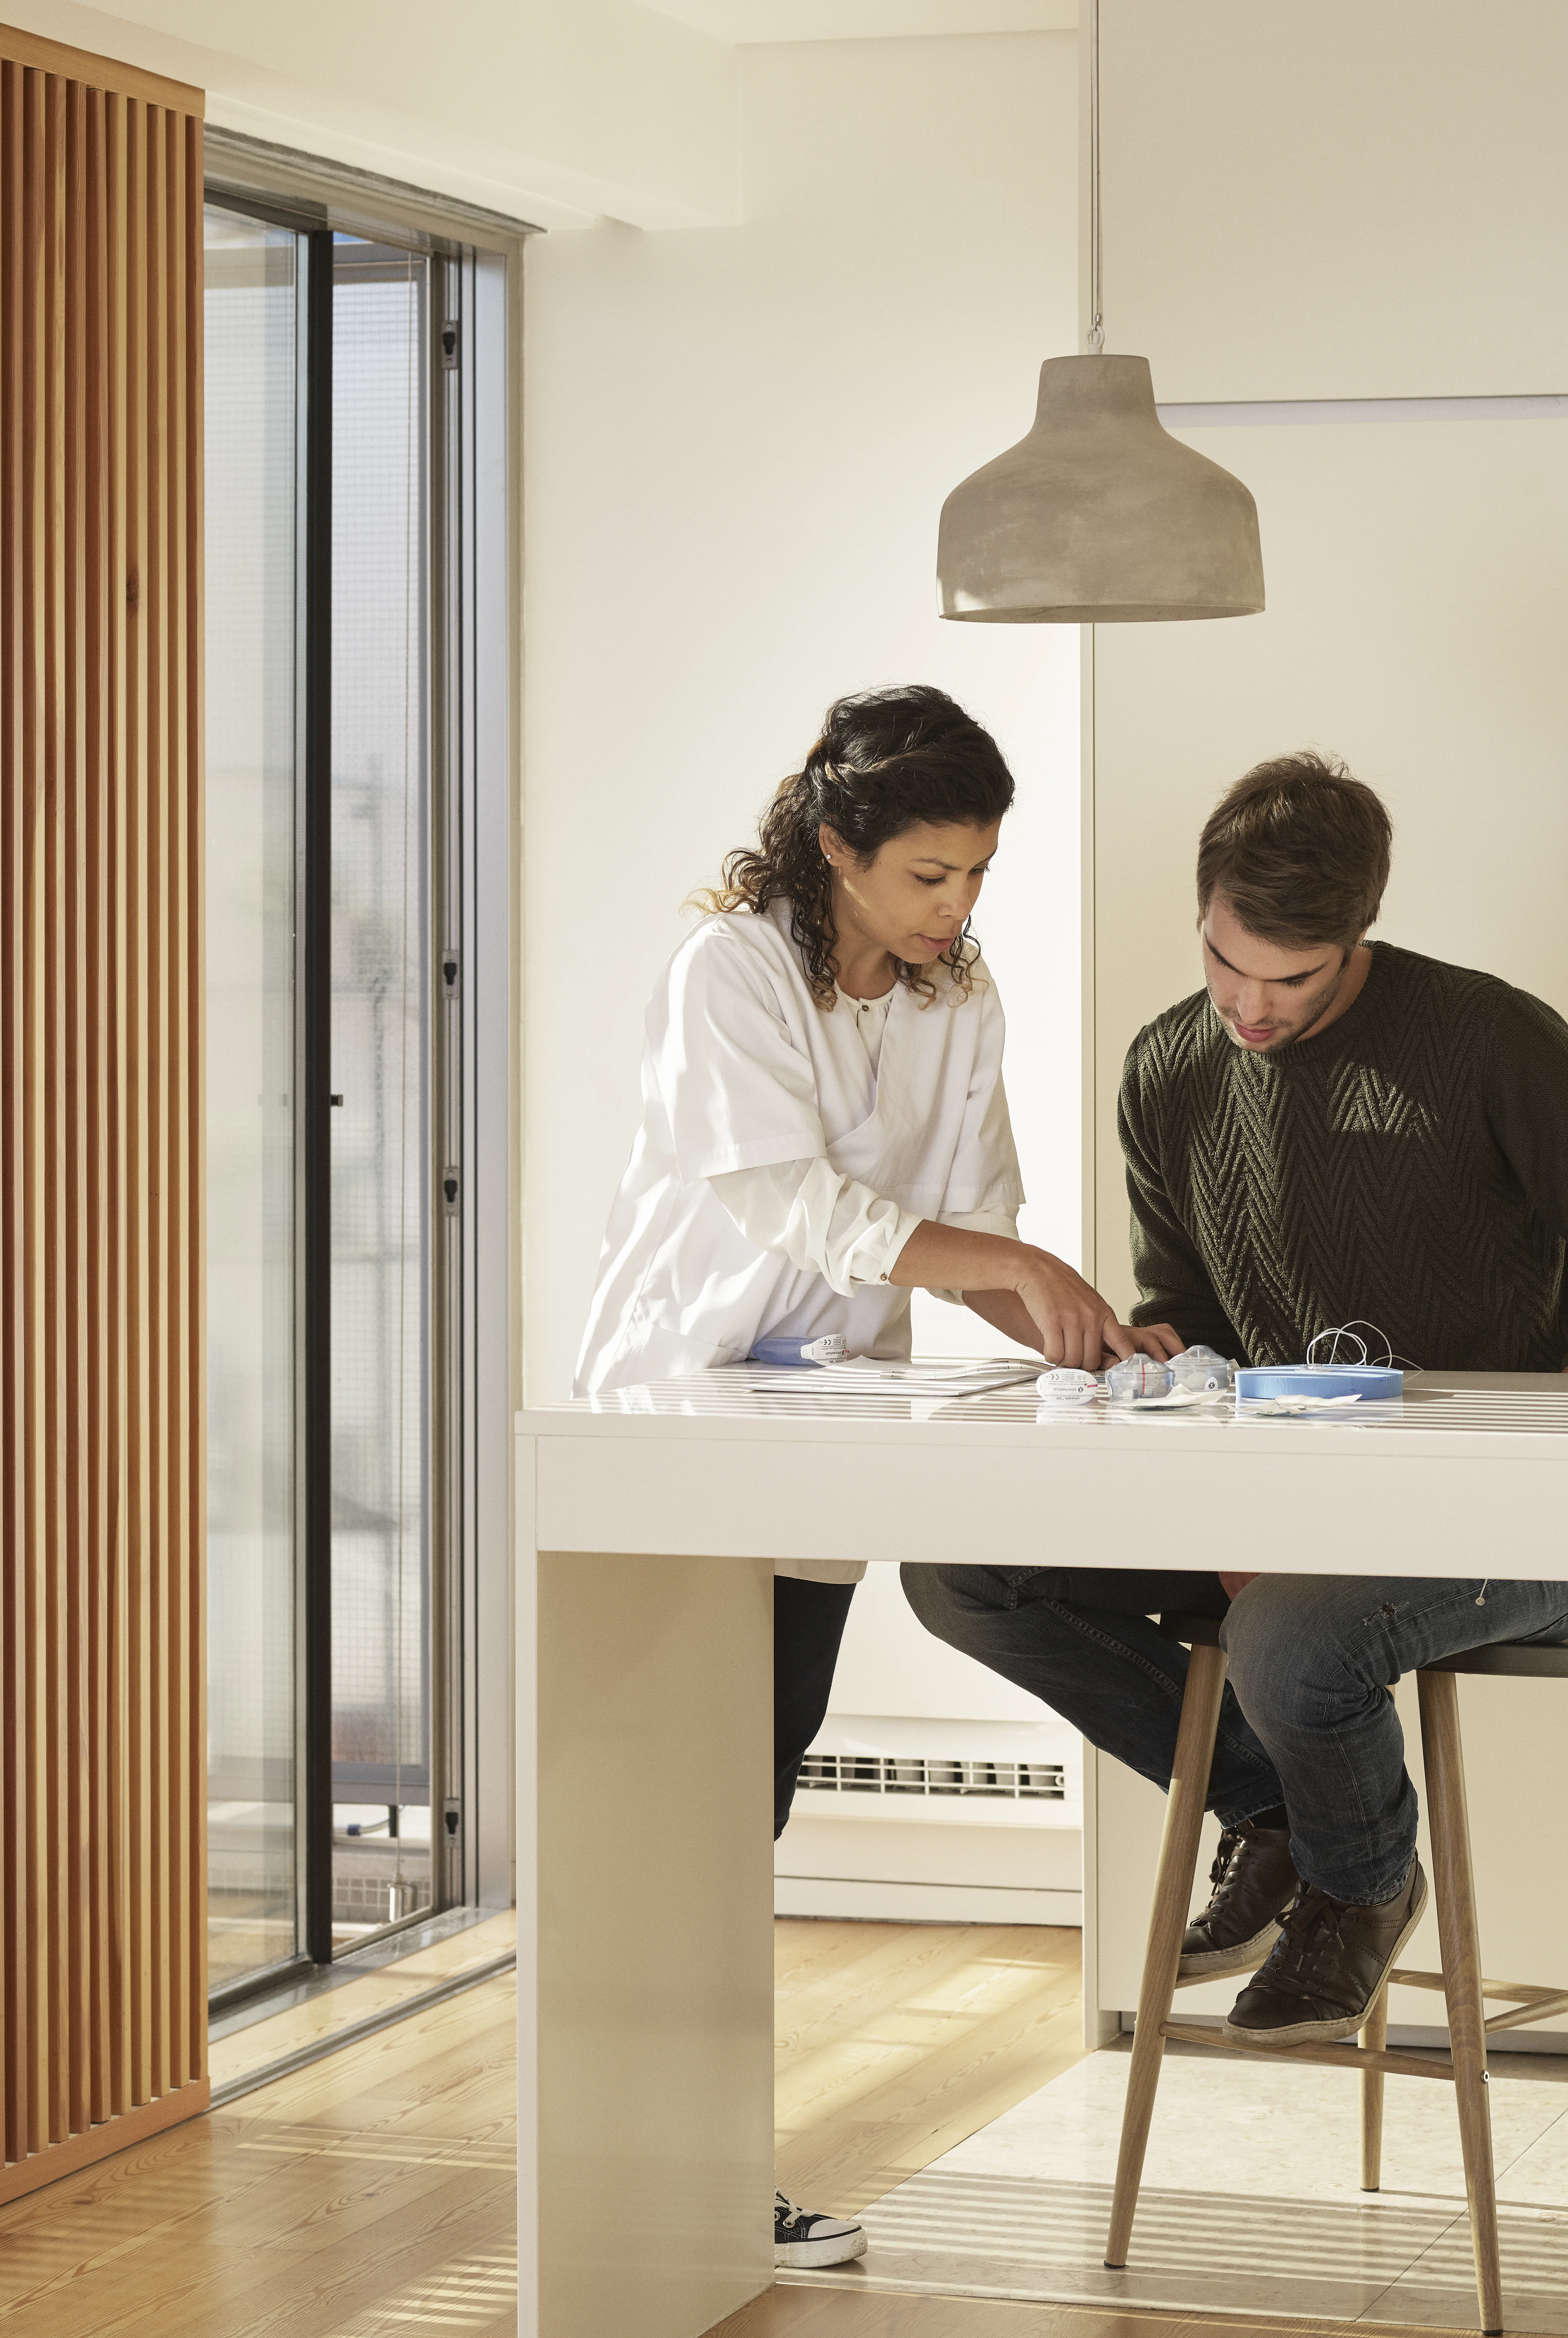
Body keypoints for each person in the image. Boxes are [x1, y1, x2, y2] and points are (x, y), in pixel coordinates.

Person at [906, 751, 1568, 2051]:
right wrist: (1162, 1350)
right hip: (1283, 1506)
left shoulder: (1487, 1038)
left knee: (1290, 1637)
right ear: (1207, 915)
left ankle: (1360, 1884)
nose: (1252, 1004)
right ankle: (1276, 1806)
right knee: (964, 1572)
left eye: (1295, 976)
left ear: (1361, 936)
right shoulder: (1169, 1068)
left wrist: (1558, 1425)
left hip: (1513, 1524)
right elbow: (1195, 1296)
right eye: (1230, 961)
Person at [573, 683, 1155, 2268]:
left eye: (976, 875)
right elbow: (794, 1201)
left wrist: (1076, 1320)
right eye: (927, 876)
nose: (956, 908)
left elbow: (973, 1213)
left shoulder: (957, 995)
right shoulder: (732, 973)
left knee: (745, 1802)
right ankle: (652, 2180)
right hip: (671, 1429)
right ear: (836, 845)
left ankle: (704, 2177)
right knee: (669, 1818)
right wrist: (1014, 1265)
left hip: (815, 1438)